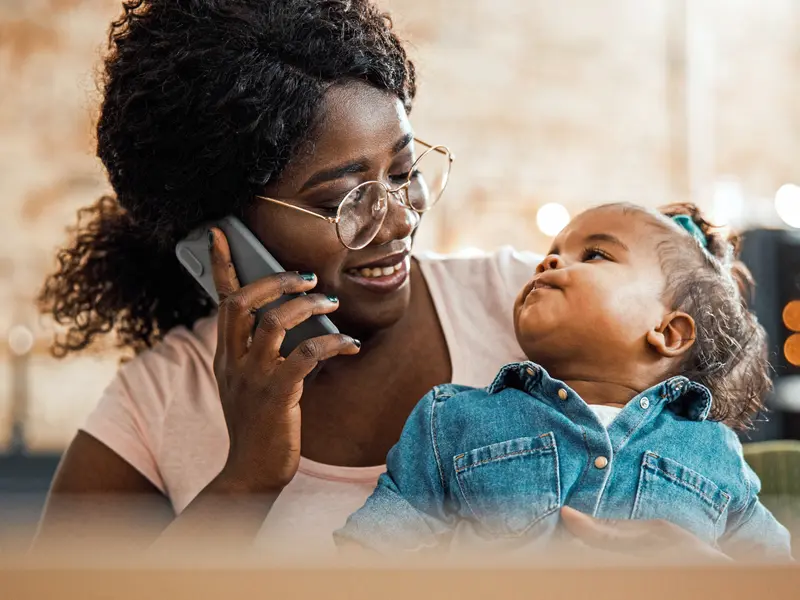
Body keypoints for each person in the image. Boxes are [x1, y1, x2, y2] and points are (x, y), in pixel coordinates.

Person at [34, 0, 726, 560]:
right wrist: (245, 480)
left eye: (403, 172)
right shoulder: (157, 404)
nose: (397, 221)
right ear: (221, 234)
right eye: (345, 200)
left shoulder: (541, 309)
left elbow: (721, 492)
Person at [334, 203, 793, 562]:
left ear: (669, 332)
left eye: (595, 254)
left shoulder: (714, 452)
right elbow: (371, 550)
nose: (549, 260)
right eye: (552, 251)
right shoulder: (452, 418)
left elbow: (771, 572)